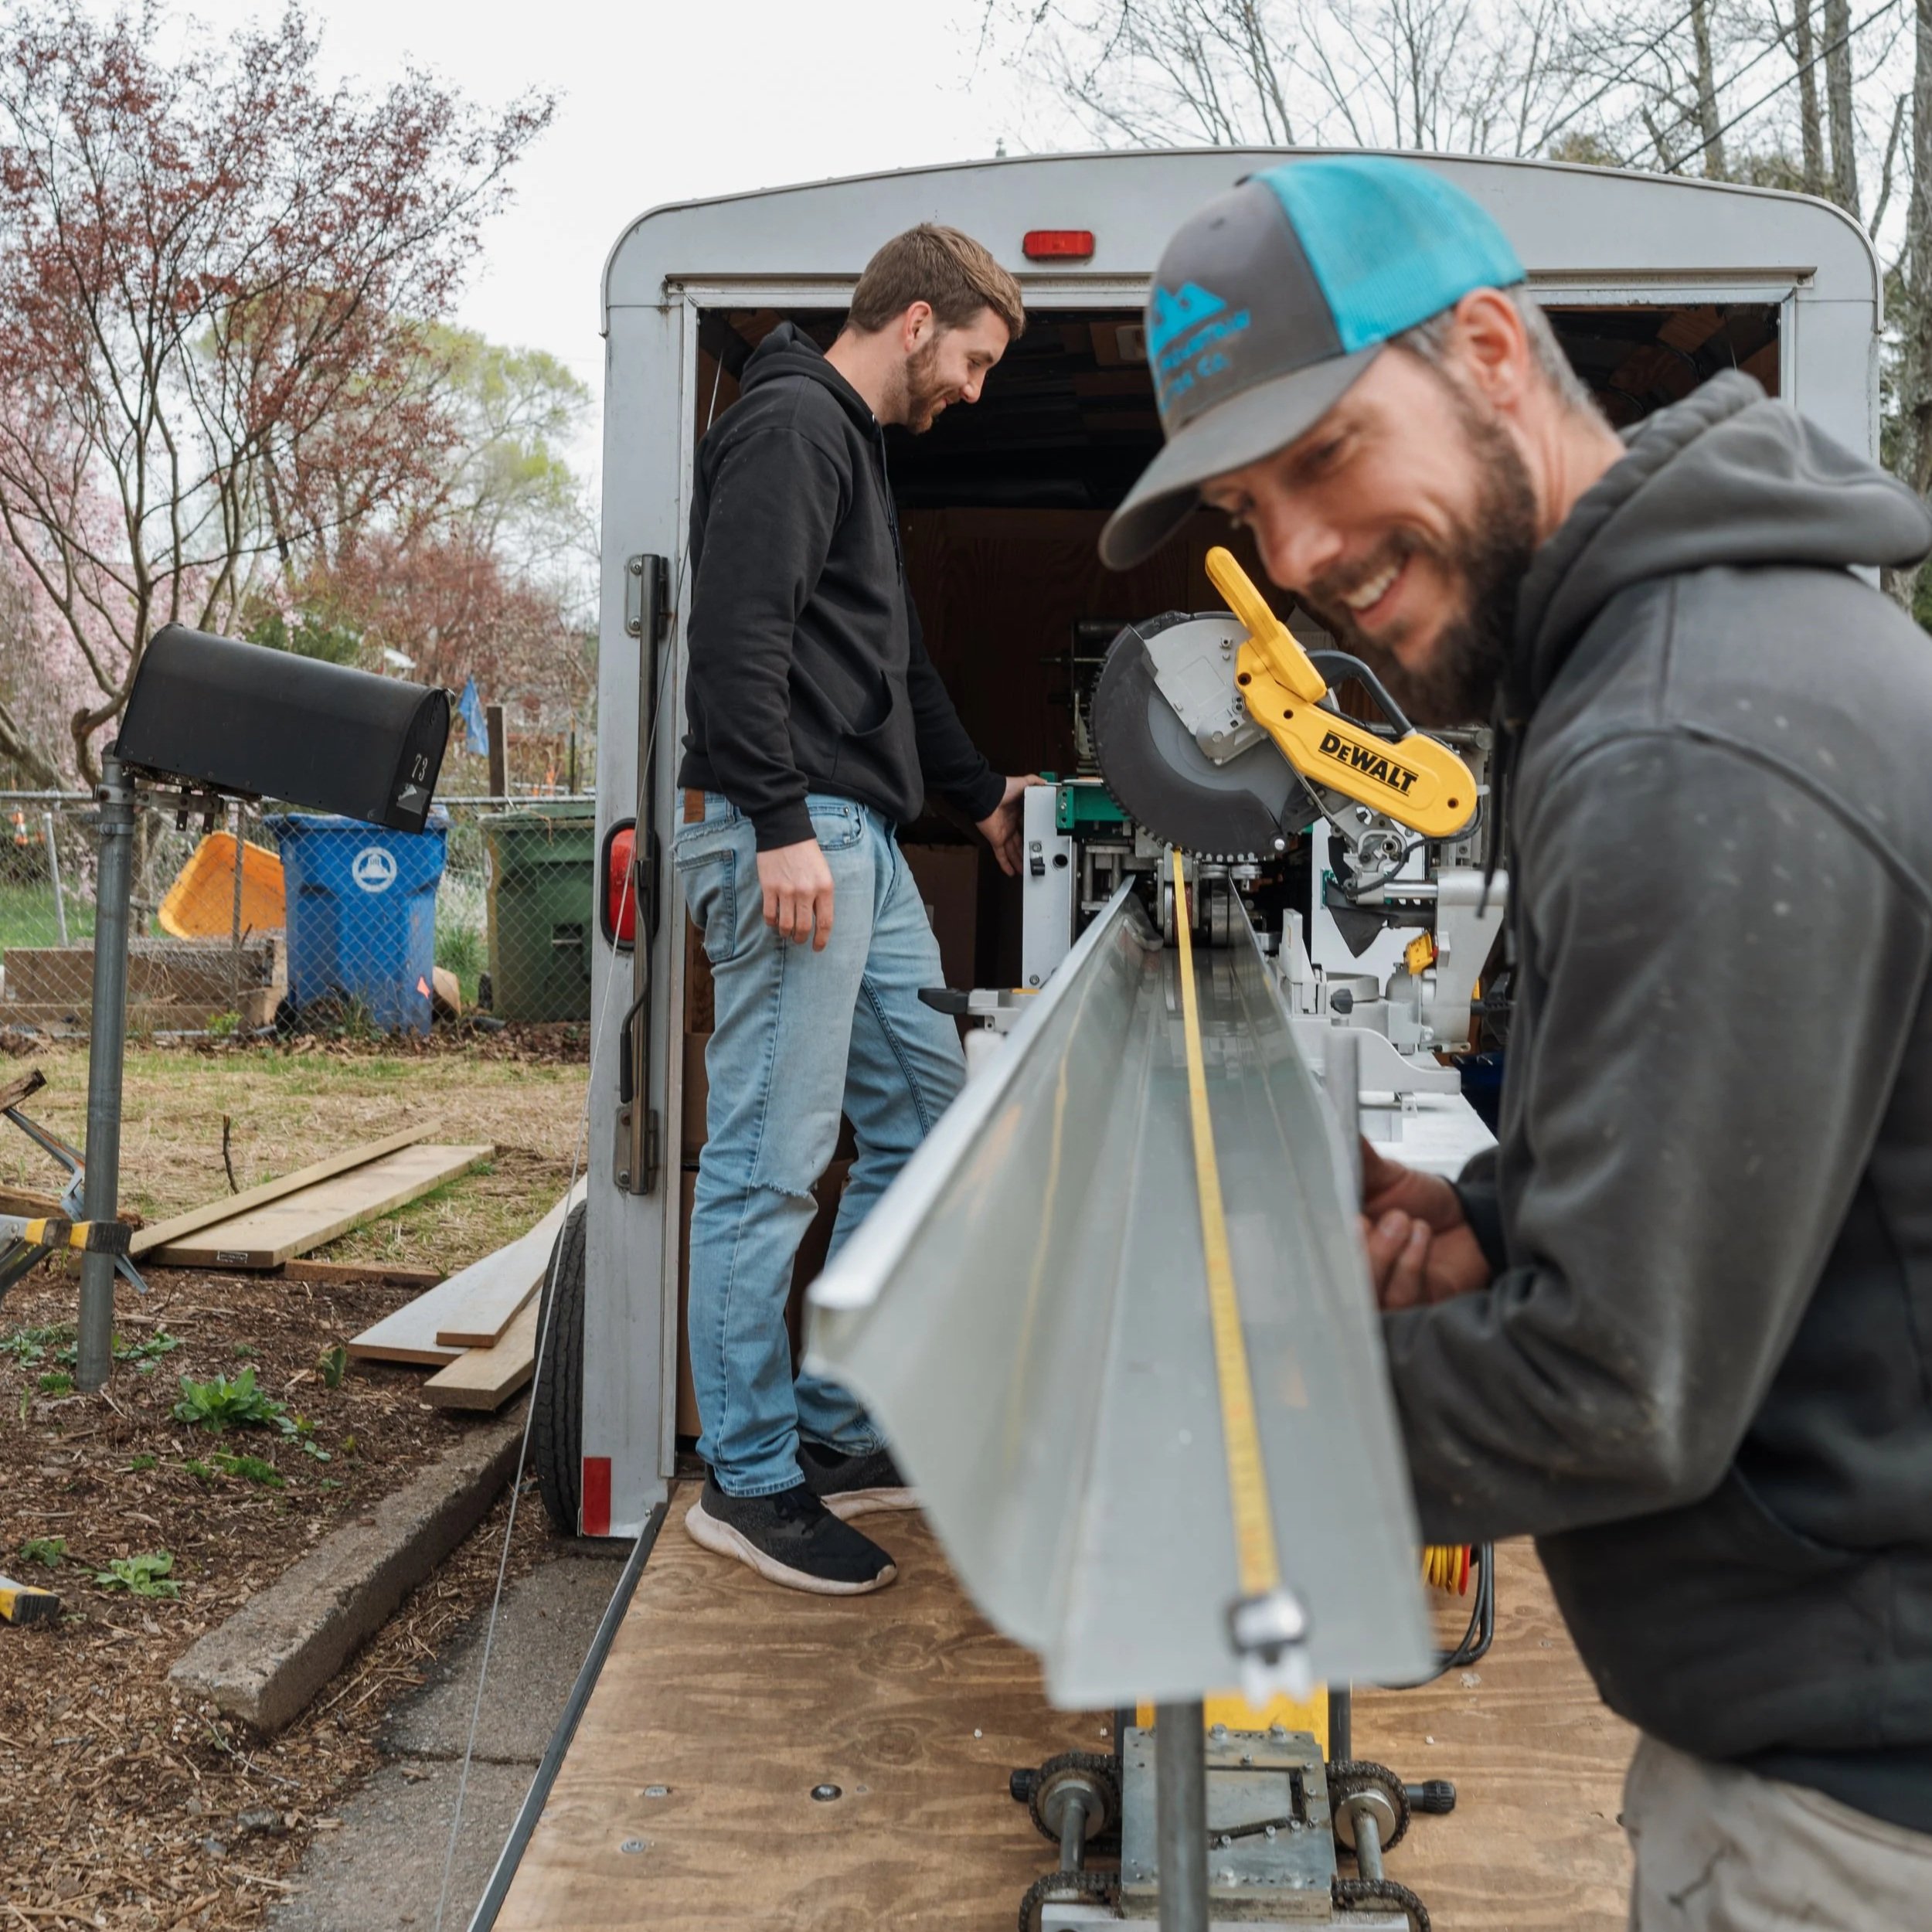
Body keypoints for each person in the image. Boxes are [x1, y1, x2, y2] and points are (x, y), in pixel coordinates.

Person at [1100, 154, 1932, 1929]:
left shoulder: (1680, 738)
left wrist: (1209, 1423)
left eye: (1324, 455)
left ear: (1487, 351)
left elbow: (1607, 1393)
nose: (1300, 556)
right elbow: (1811, 1183)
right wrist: (1496, 1213)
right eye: (1251, 507)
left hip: (1856, 1810)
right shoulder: (1688, 664)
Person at [676, 225, 1036, 1597]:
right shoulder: (789, 425)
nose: (975, 391)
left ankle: (829, 1425)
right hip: (798, 827)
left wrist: (978, 797)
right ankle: (750, 1478)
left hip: (863, 834)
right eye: (977, 361)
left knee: (926, 1125)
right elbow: (737, 640)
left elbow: (898, 665)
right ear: (919, 320)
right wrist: (773, 822)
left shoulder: (854, 448)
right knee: (771, 1155)